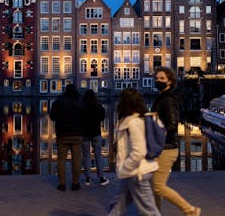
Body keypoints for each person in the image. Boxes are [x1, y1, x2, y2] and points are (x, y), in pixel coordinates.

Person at [151, 66, 201, 216]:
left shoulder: (168, 100)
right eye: (156, 78)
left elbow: (172, 124)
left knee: (158, 186)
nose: (157, 81)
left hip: (166, 148)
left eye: (161, 78)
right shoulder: (162, 98)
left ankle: (190, 210)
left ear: (170, 81)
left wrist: (157, 135)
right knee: (153, 186)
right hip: (160, 147)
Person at [107, 88, 160, 216]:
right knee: (117, 206)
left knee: (149, 211)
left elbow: (139, 151)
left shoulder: (134, 122)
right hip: (132, 173)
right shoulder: (135, 119)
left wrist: (126, 167)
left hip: (137, 173)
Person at [50, 84, 85, 191]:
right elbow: (85, 117)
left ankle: (62, 184)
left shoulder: (59, 101)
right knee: (77, 159)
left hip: (62, 134)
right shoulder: (80, 102)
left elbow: (52, 116)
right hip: (77, 134)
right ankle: (75, 183)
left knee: (61, 159)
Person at [81, 89, 109, 186]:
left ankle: (88, 179)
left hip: (84, 134)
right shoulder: (98, 106)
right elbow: (102, 116)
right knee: (98, 155)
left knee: (86, 156)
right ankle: (101, 178)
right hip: (96, 133)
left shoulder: (82, 107)